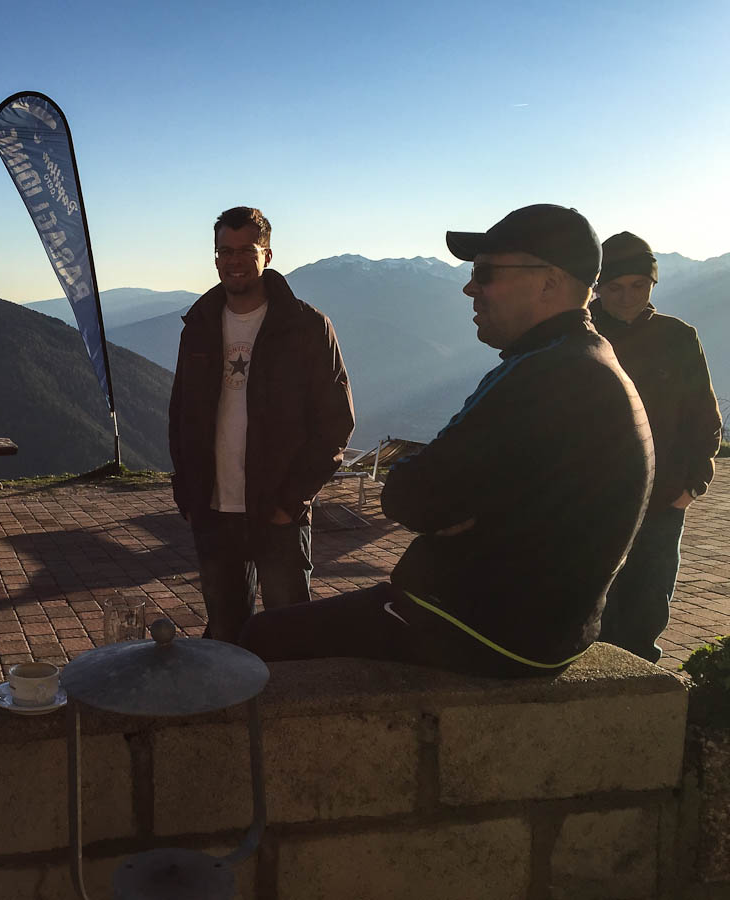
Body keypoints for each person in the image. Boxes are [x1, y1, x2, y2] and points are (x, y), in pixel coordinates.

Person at [241, 205, 653, 678]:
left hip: (483, 628)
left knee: (260, 638)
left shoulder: (544, 375)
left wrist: (447, 501)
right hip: (551, 631)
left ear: (549, 283)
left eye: (485, 272)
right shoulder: (585, 359)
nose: (470, 288)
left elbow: (411, 497)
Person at [169, 207, 355, 643]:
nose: (234, 261)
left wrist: (292, 501)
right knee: (224, 636)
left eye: (245, 250)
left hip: (278, 513)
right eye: (225, 251)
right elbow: (181, 413)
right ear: (215, 257)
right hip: (213, 510)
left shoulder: (307, 326)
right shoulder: (198, 325)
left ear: (267, 255)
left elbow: (336, 422)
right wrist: (187, 491)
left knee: (290, 637)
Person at [591, 233, 722, 662]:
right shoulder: (579, 336)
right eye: (615, 286)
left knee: (649, 595)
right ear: (597, 286)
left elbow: (704, 418)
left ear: (653, 284)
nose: (628, 297)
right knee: (590, 598)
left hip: (662, 498)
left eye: (639, 285)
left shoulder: (678, 337)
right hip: (591, 500)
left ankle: (644, 678)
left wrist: (693, 485)